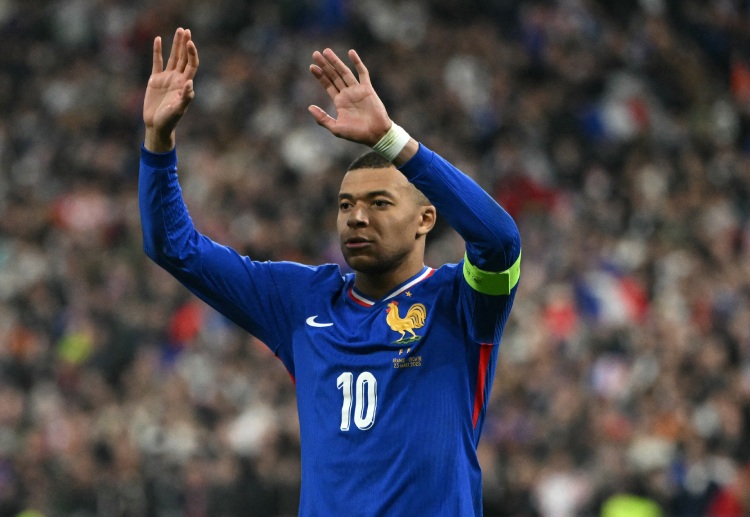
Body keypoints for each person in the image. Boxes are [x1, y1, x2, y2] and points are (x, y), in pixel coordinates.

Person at [139, 27, 521, 516]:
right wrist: (158, 142)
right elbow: (174, 247)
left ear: (426, 219)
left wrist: (392, 141)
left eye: (379, 203)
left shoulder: (461, 301)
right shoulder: (302, 300)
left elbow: (500, 241)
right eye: (345, 205)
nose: (357, 217)